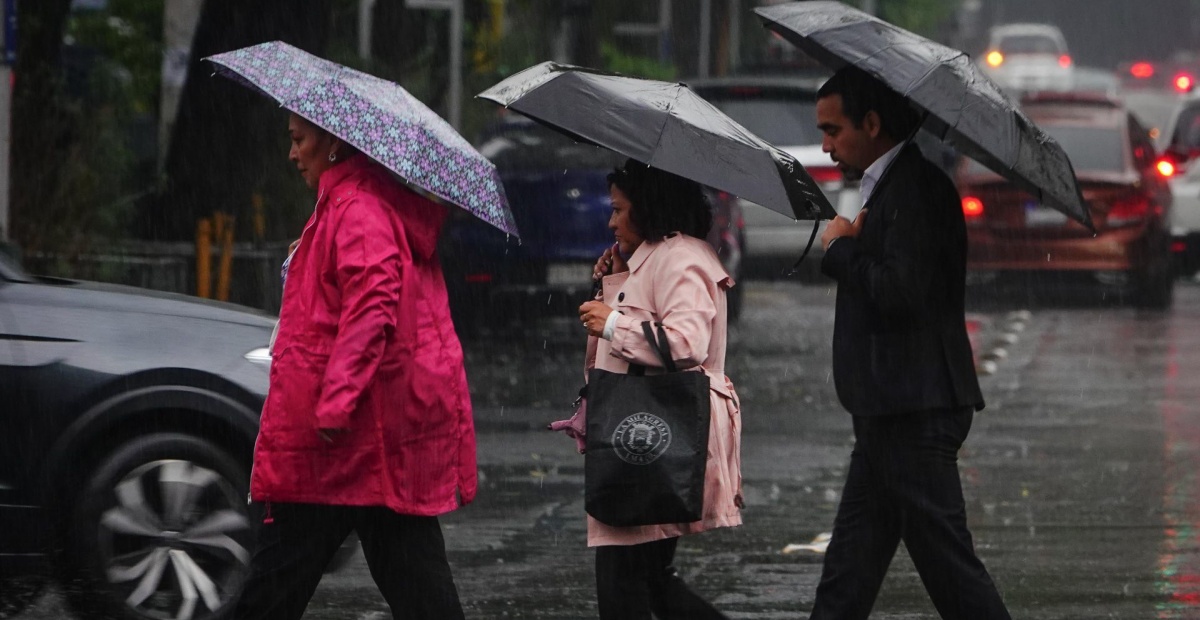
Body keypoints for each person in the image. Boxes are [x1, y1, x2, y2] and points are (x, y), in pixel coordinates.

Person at [233, 112, 475, 619]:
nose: (292, 154)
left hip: (345, 442)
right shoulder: (347, 204)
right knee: (415, 583)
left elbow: (372, 306)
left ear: (335, 144)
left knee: (276, 583)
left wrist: (336, 402)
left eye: (300, 141)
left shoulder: (357, 207)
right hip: (368, 443)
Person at [809, 66, 1011, 619]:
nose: (825, 146)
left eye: (833, 130)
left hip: (913, 413)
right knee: (847, 578)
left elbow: (903, 293)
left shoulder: (917, 190)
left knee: (952, 575)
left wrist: (841, 251)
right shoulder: (892, 188)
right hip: (889, 410)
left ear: (871, 123)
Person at [572, 159, 742, 620]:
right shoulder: (659, 256)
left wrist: (613, 323)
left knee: (625, 584)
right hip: (646, 437)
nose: (611, 221)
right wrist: (619, 278)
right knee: (647, 581)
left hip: (652, 439)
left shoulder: (680, 258)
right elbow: (642, 317)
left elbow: (686, 343)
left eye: (619, 209)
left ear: (648, 208)